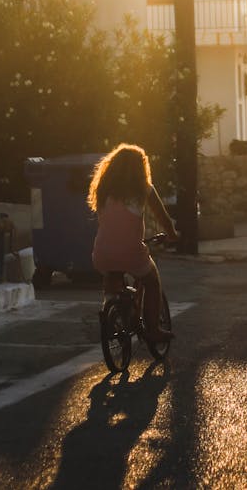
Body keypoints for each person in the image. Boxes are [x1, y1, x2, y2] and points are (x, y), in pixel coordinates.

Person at [87, 143, 178, 343]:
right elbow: (162, 217)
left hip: (102, 252)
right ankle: (153, 330)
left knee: (112, 274)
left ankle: (110, 307)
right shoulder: (144, 189)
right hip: (131, 252)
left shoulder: (102, 190)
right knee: (152, 282)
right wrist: (171, 233)